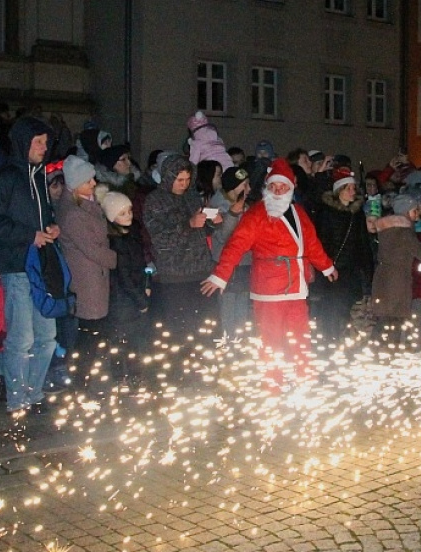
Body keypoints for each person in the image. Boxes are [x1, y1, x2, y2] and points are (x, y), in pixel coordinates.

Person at [201, 159, 338, 385]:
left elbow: (311, 243)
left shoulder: (299, 212)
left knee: (300, 336)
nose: (277, 190)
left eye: (282, 187)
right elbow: (236, 245)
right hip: (268, 287)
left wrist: (326, 265)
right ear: (267, 188)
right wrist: (221, 275)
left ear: (290, 188)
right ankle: (272, 383)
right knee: (271, 339)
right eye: (273, 186)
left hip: (295, 285)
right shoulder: (256, 214)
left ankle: (305, 378)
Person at [0, 116, 60, 415]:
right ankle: (16, 398)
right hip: (16, 266)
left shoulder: (38, 177)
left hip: (41, 268)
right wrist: (29, 236)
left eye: (46, 142)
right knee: (21, 337)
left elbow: (41, 215)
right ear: (23, 143)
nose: (44, 147)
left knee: (47, 338)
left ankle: (33, 392)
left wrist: (51, 228)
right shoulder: (3, 178)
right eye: (38, 142)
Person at [56, 156, 116, 392]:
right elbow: (92, 248)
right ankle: (82, 381)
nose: (93, 183)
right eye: (88, 180)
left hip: (94, 278)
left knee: (93, 332)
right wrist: (117, 259)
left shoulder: (85, 204)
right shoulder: (74, 214)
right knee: (89, 335)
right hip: (88, 280)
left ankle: (88, 379)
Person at [145, 154, 219, 338]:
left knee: (204, 326)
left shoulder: (192, 197)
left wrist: (210, 222)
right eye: (179, 180)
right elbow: (160, 239)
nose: (183, 184)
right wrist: (189, 224)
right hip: (174, 276)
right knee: (178, 329)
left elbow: (201, 232)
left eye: (187, 179)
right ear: (169, 177)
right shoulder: (155, 201)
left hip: (200, 271)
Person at [313, 168, 372, 338]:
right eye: (348, 188)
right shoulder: (326, 213)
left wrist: (367, 272)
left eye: (354, 188)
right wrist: (325, 267)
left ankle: (344, 345)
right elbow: (321, 242)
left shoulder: (357, 214)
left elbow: (363, 244)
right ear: (339, 191)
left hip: (351, 272)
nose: (353, 191)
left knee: (349, 312)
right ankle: (329, 342)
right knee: (331, 312)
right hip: (332, 272)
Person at [367, 194, 421, 344]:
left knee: (384, 324)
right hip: (397, 285)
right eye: (415, 210)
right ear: (406, 211)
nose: (417, 213)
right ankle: (388, 357)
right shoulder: (405, 233)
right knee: (394, 325)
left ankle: (376, 355)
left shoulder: (387, 231)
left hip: (383, 282)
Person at [101, 192, 148, 384]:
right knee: (122, 338)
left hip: (133, 293)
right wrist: (140, 299)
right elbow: (124, 274)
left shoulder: (133, 233)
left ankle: (134, 373)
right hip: (122, 298)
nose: (128, 216)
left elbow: (140, 263)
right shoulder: (116, 241)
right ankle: (121, 375)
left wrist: (146, 283)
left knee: (133, 338)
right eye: (122, 213)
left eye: (129, 211)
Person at [208, 166, 251, 338]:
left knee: (242, 310)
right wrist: (233, 214)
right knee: (227, 310)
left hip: (245, 263)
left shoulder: (246, 205)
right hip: (226, 266)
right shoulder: (217, 207)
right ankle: (228, 345)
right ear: (233, 187)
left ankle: (239, 344)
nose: (248, 189)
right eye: (244, 185)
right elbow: (223, 236)